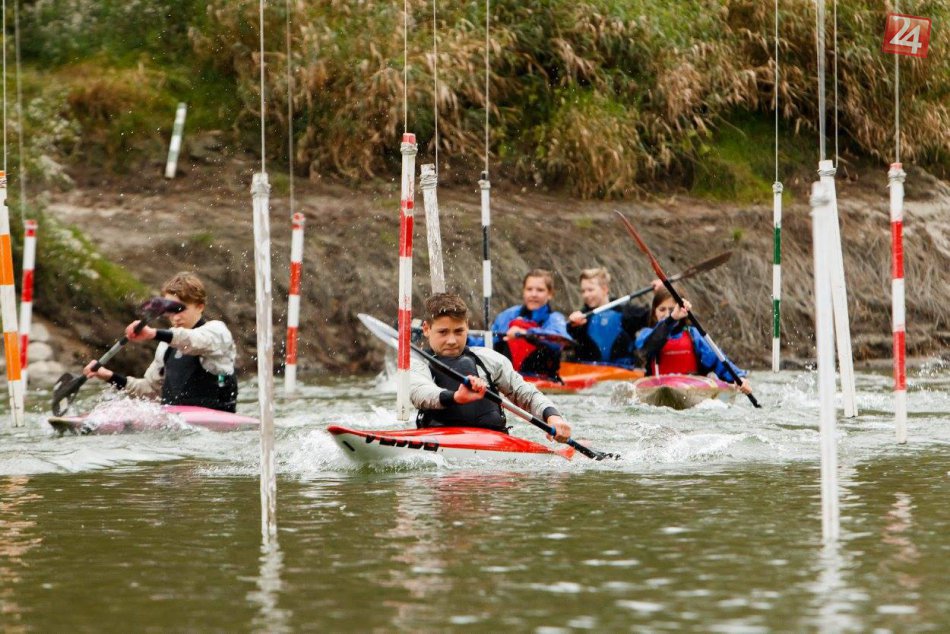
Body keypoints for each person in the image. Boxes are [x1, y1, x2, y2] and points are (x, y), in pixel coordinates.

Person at [410, 293, 572, 442]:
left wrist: (553, 417)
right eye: (443, 332)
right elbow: (420, 393)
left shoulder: (490, 360)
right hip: (439, 438)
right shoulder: (417, 364)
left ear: (466, 326)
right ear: (426, 329)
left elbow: (526, 394)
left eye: (458, 331)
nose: (452, 340)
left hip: (493, 442)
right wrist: (455, 397)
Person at [83, 271, 240, 412]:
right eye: (171, 311)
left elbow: (192, 340)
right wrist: (108, 376)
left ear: (200, 307)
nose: (175, 317)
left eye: (180, 310)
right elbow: (150, 391)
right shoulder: (165, 346)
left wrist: (152, 333)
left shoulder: (217, 332)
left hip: (215, 425)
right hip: (177, 427)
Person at [635, 286, 752, 393]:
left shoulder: (694, 335)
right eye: (662, 309)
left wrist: (739, 377)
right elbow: (647, 350)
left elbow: (718, 360)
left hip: (692, 391)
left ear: (681, 311)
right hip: (659, 390)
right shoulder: (646, 335)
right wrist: (671, 319)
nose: (667, 314)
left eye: (671, 309)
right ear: (654, 312)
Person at [566, 267, 661, 367]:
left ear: (605, 289)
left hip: (621, 374)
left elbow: (656, 318)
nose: (586, 295)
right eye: (583, 291)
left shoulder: (626, 313)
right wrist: (571, 325)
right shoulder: (582, 317)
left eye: (590, 290)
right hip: (589, 373)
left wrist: (661, 293)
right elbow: (565, 338)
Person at [491, 268, 572, 378]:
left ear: (550, 294)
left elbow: (560, 341)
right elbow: (488, 341)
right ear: (524, 292)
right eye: (529, 289)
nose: (534, 294)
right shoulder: (508, 315)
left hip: (541, 378)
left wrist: (525, 333)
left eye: (540, 290)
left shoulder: (555, 319)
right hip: (508, 377)